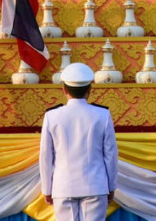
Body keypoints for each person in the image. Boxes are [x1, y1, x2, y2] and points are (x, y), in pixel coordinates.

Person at [39, 63, 118, 220]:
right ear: (89, 90)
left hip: (63, 187)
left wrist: (46, 188)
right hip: (95, 185)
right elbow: (111, 154)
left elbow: (46, 156)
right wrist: (111, 186)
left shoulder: (52, 116)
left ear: (64, 89)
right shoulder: (102, 115)